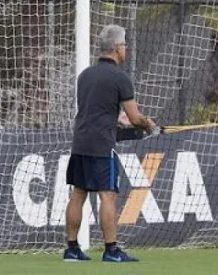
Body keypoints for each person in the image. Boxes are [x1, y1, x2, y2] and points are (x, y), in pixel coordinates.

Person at [63, 24, 156, 262]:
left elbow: (98, 110)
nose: (126, 49)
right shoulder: (120, 78)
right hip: (102, 145)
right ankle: (111, 250)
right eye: (124, 45)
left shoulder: (85, 75)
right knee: (108, 196)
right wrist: (147, 124)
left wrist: (120, 120)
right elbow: (135, 117)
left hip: (80, 141)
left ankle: (72, 249)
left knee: (78, 195)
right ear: (116, 48)